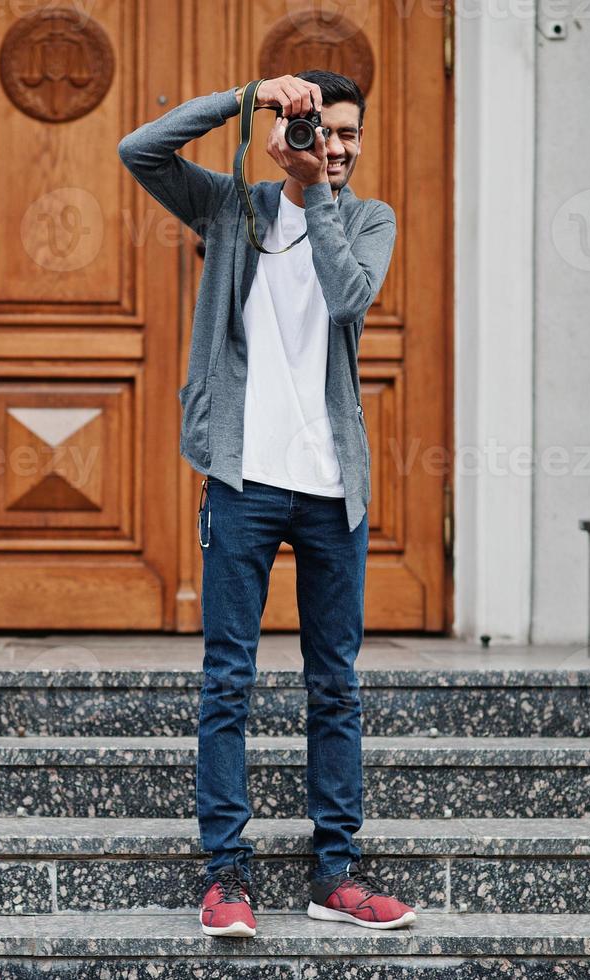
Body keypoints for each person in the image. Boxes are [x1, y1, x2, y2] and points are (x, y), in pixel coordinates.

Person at [117, 70, 414, 937]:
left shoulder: (366, 216)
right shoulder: (228, 207)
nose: (337, 147)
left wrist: (318, 191)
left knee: (335, 687)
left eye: (349, 136)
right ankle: (225, 876)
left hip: (332, 491)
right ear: (288, 131)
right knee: (227, 682)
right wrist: (246, 101)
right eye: (322, 131)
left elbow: (350, 296)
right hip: (244, 481)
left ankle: (334, 874)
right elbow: (141, 149)